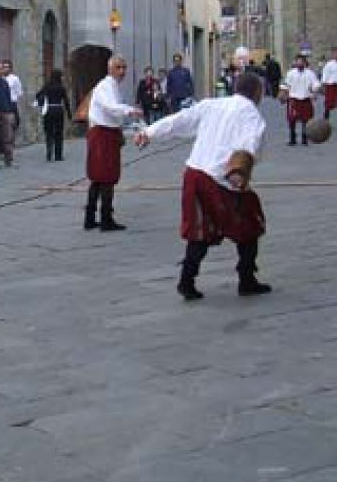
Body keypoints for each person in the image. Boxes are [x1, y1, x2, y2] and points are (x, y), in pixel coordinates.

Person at [135, 72, 270, 301]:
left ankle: (186, 281)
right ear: (258, 93)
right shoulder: (253, 117)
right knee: (250, 224)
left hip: (194, 174)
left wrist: (149, 132)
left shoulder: (211, 105)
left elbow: (179, 121)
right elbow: (250, 143)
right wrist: (238, 171)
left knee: (199, 231)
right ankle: (246, 279)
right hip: (221, 179)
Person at [85, 55, 143, 232]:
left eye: (124, 67)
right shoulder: (105, 86)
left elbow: (113, 112)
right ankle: (105, 218)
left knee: (99, 177)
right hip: (102, 133)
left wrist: (120, 129)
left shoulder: (113, 87)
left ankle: (90, 218)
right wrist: (129, 110)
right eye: (118, 67)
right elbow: (110, 107)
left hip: (108, 132)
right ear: (110, 69)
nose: (122, 71)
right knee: (105, 176)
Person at [280, 55, 321, 146]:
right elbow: (285, 85)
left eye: (301, 61)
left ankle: (304, 138)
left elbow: (316, 84)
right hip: (293, 99)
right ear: (295, 62)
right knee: (292, 119)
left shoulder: (310, 73)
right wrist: (283, 94)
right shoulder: (291, 73)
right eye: (298, 61)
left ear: (304, 62)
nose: (299, 63)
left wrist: (314, 92)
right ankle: (292, 138)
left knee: (305, 120)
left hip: (305, 99)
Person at [35, 68, 70, 161]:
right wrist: (69, 114)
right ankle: (58, 155)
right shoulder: (61, 87)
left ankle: (49, 152)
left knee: (49, 132)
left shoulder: (47, 86)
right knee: (59, 133)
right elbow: (66, 101)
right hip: (58, 109)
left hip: (48, 110)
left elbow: (38, 95)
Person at [3, 59, 23, 135]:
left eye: (7, 67)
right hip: (1, 104)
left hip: (11, 103)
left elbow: (19, 92)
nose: (5, 69)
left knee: (13, 123)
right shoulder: (0, 78)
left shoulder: (15, 79)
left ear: (10, 68)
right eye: (4, 67)